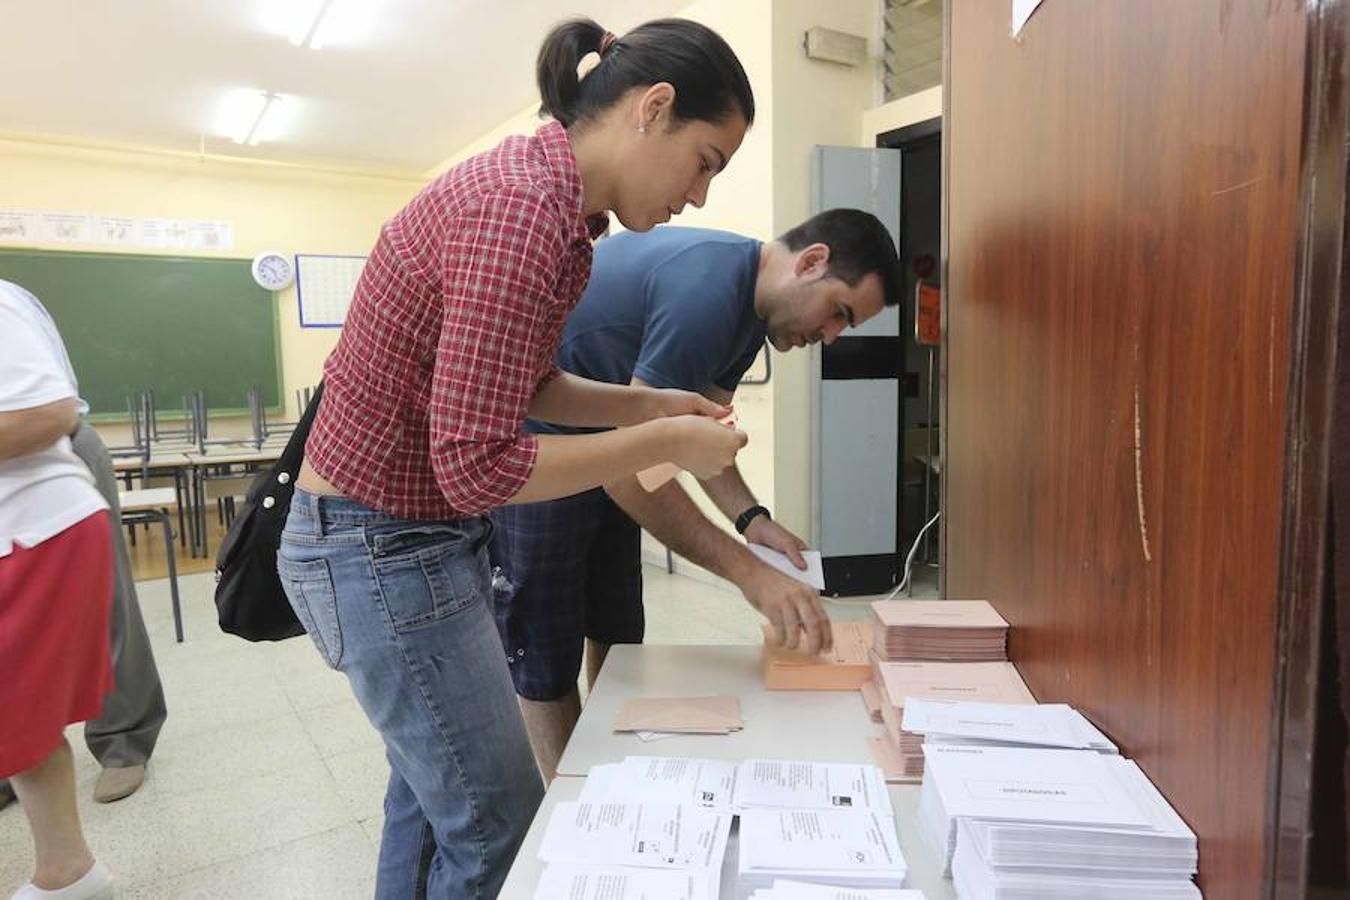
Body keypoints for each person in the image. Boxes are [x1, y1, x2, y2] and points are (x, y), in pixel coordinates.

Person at [278, 16, 755, 899]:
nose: (699, 196)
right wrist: (660, 441)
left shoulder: (561, 210)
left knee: (429, 807)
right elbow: (478, 465)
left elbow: (528, 383)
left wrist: (648, 403)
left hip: (396, 539)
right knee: (496, 829)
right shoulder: (522, 212)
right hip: (376, 547)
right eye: (706, 162)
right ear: (654, 108)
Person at [490, 208, 903, 777]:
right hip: (540, 443)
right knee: (544, 651)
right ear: (811, 262)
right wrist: (749, 573)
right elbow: (632, 475)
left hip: (607, 440)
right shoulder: (707, 292)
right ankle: (571, 799)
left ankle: (610, 765)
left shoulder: (750, 317)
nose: (829, 337)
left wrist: (752, 519)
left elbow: (693, 437)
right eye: (838, 313)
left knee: (614, 624)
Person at [0, 294, 168, 814]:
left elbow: (49, 412)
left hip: (55, 462)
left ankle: (124, 739)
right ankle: (14, 758)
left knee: (105, 609)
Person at [0, 278, 116, 900]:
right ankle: (69, 871)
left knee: (19, 713)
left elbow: (47, 413)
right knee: (20, 719)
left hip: (32, 528)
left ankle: (67, 874)